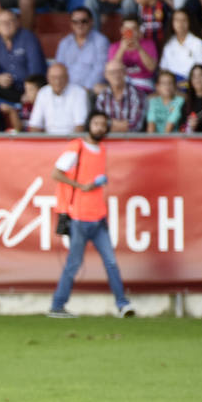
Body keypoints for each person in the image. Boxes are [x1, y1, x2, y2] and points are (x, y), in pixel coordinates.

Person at [47, 111, 134, 319]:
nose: (99, 127)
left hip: (98, 216)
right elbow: (56, 173)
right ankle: (57, 305)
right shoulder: (77, 147)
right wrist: (81, 186)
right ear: (88, 125)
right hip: (78, 216)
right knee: (74, 263)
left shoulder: (102, 148)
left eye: (103, 124)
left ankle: (122, 304)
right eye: (96, 123)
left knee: (111, 262)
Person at [28, 61, 89, 133]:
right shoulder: (43, 92)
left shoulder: (79, 92)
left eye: (61, 77)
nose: (57, 82)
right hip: (49, 140)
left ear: (67, 77)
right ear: (48, 78)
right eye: (53, 78)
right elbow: (35, 125)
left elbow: (80, 126)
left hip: (72, 139)